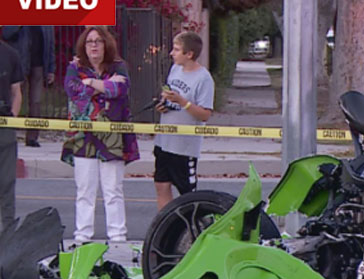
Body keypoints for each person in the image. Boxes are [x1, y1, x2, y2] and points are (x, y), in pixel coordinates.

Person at [61, 27, 139, 243]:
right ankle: (82, 236)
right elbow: (73, 92)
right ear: (83, 47)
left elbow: (120, 91)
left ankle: (117, 237)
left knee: (113, 190)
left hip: (111, 138)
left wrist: (90, 83)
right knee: (85, 190)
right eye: (89, 42)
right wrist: (104, 86)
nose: (94, 45)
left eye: (98, 41)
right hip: (82, 138)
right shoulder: (75, 68)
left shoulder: (119, 67)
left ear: (106, 45)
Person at [154, 31, 214, 210]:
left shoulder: (203, 78)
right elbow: (170, 97)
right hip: (164, 140)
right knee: (161, 185)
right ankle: (165, 227)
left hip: (184, 146)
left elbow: (205, 114)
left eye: (177, 49)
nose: (172, 53)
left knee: (187, 194)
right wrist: (163, 104)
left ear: (189, 54)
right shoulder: (175, 69)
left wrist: (182, 101)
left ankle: (192, 231)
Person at [1, 26, 55, 147]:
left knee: (36, 102)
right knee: (15, 97)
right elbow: (6, 34)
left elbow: (50, 45)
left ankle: (32, 137)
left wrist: (51, 69)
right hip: (20, 63)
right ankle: (9, 132)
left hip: (38, 65)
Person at [0, 35, 24, 232]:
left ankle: (7, 233)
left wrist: (12, 120)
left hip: (4, 130)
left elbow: (16, 92)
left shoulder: (10, 54)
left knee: (6, 183)